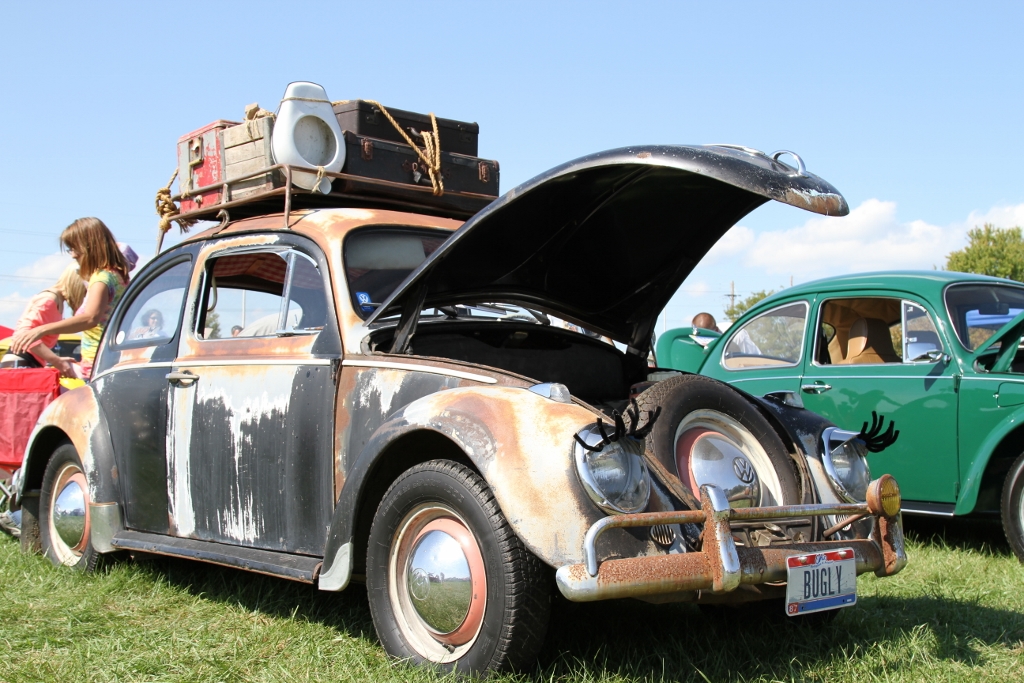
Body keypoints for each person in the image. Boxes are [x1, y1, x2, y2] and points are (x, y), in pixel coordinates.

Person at [10, 218, 130, 380]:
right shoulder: (117, 275)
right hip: (109, 360)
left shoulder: (102, 278)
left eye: (74, 247)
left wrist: (41, 330)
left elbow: (90, 318)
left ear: (89, 245)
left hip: (98, 364)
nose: (73, 254)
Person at [0, 263, 86, 376]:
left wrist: (54, 359)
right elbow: (23, 333)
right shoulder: (49, 300)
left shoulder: (57, 301)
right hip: (20, 365)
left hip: (24, 363)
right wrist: (56, 360)